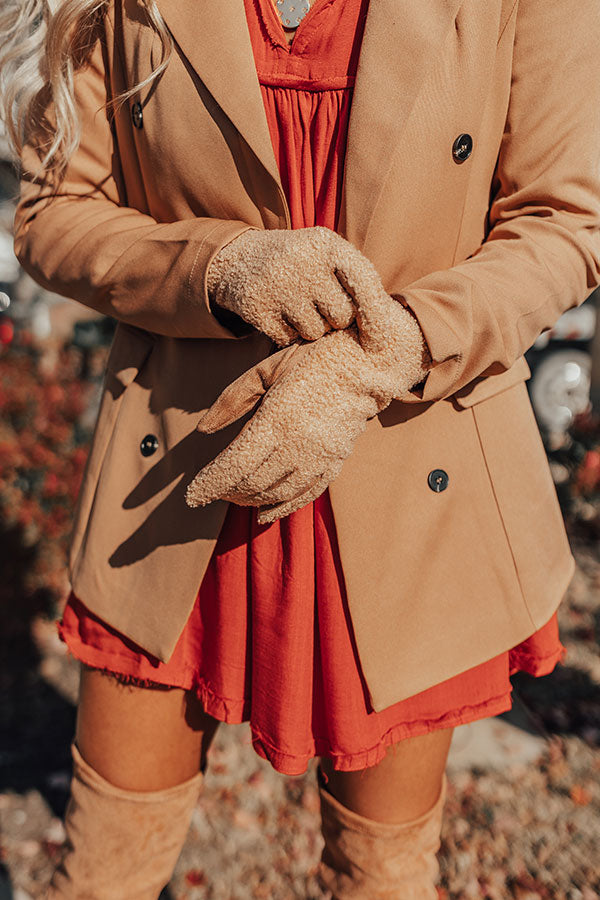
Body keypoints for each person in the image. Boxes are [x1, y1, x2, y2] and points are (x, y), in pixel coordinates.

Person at [2, 0, 600, 895]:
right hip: (178, 470)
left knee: (382, 873)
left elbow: (563, 221)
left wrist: (391, 349)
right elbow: (53, 213)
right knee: (104, 867)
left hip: (411, 461)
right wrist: (217, 268)